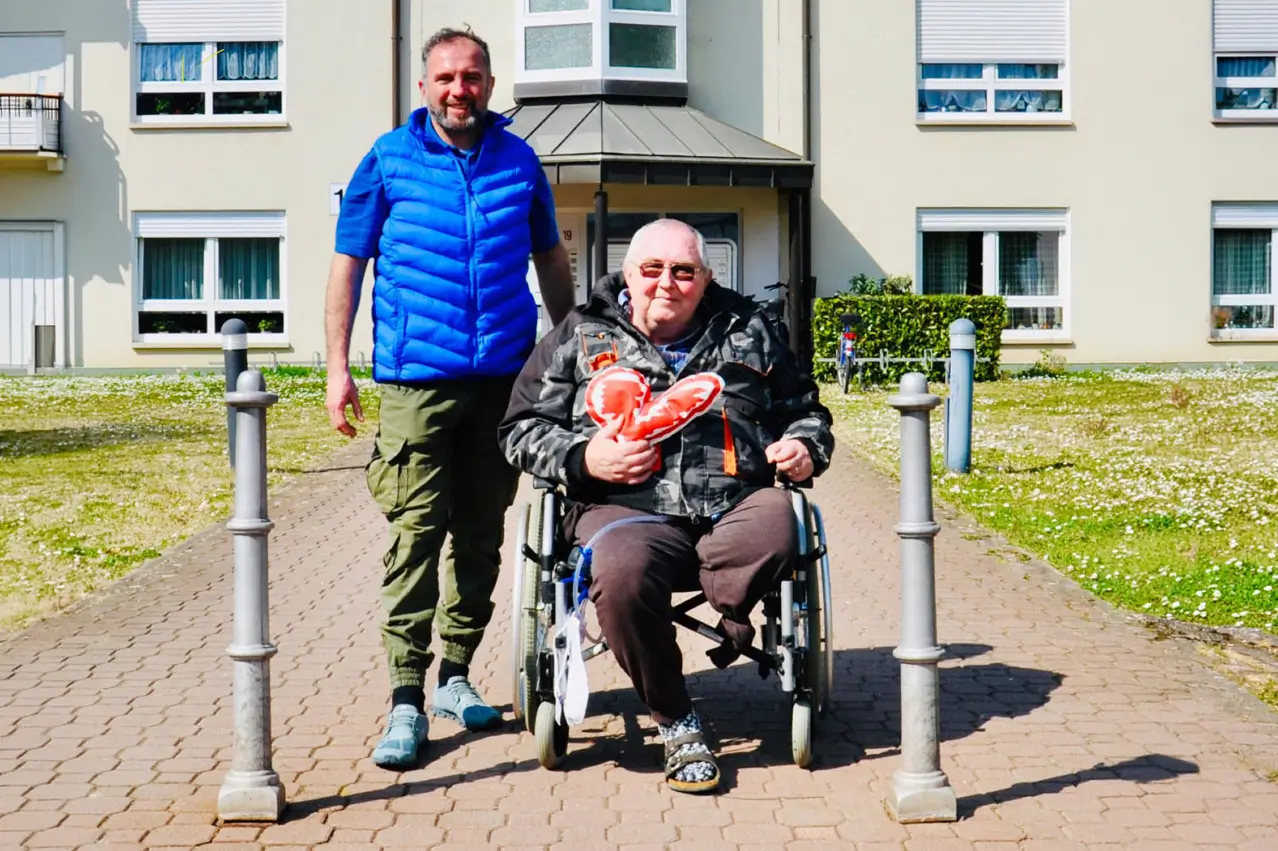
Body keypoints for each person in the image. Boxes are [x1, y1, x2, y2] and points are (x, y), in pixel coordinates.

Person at [497, 218, 835, 793]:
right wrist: (584, 460)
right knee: (623, 571)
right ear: (629, 274)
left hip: (735, 507)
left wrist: (803, 446)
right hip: (625, 511)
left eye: (683, 271)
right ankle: (676, 718)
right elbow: (520, 427)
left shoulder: (751, 331)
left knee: (784, 522)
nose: (666, 283)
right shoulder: (581, 334)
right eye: (652, 269)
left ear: (706, 278)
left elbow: (806, 409)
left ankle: (732, 615)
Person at [324, 25, 576, 771]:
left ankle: (456, 674)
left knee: (481, 531)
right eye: (445, 78)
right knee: (416, 534)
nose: (459, 89)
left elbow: (550, 258)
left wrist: (570, 353)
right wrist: (338, 368)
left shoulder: (520, 159)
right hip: (414, 380)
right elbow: (348, 265)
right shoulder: (387, 160)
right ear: (425, 87)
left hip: (501, 380)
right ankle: (406, 696)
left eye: (472, 77)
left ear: (490, 85)